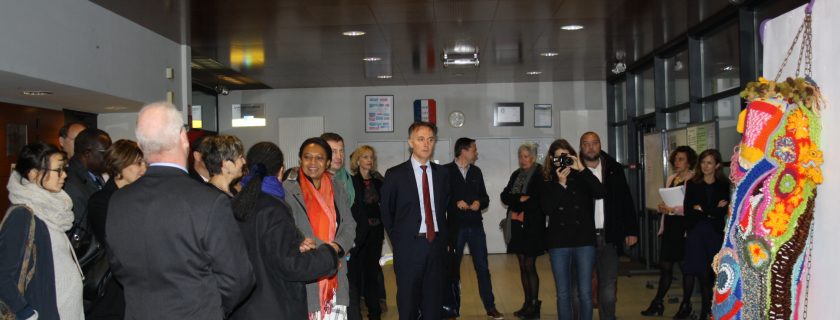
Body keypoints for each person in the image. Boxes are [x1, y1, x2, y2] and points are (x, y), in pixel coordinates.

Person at [106, 102, 254, 319]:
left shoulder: (119, 200)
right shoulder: (208, 201)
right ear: (184, 138)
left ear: (140, 145)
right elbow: (239, 277)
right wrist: (211, 308)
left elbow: (119, 267)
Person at [230, 142, 340, 319]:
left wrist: (295, 243)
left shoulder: (235, 203)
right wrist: (329, 256)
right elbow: (290, 265)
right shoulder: (273, 208)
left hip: (244, 307)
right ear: (281, 171)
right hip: (273, 306)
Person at [1, 142, 83, 319]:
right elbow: (3, 273)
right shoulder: (22, 215)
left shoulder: (53, 209)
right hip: (44, 312)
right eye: (58, 170)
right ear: (34, 174)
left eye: (64, 169)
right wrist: (25, 312)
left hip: (66, 309)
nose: (64, 175)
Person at [380, 121, 450, 320]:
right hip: (409, 247)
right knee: (408, 304)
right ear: (411, 142)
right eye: (420, 139)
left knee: (433, 304)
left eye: (430, 139)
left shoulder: (443, 174)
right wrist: (399, 242)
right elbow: (387, 211)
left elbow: (445, 207)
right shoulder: (395, 175)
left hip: (436, 246)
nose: (426, 144)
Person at [283, 137, 356, 319]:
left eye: (319, 158)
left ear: (328, 162)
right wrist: (326, 252)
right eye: (307, 157)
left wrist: (336, 247)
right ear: (300, 160)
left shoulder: (337, 188)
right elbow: (290, 230)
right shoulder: (287, 190)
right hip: (306, 272)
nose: (313, 163)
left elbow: (349, 224)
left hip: (336, 273)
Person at [539, 139, 605, 320]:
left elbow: (600, 192)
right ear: (552, 159)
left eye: (566, 156)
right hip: (559, 242)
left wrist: (582, 168)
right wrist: (561, 183)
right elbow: (547, 208)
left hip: (584, 240)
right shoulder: (546, 179)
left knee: (585, 291)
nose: (563, 161)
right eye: (559, 157)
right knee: (563, 292)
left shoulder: (582, 176)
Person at [578, 131, 639, 320]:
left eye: (594, 143)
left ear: (600, 144)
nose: (590, 147)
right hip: (582, 237)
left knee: (608, 284)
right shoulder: (573, 167)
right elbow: (551, 166)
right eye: (586, 144)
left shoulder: (614, 168)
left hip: (609, 235)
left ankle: (608, 317)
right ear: (580, 147)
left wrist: (631, 230)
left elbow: (626, 200)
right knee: (582, 284)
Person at [86, 139, 147, 320]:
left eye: (144, 163)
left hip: (138, 286)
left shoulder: (141, 197)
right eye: (137, 163)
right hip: (111, 285)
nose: (143, 169)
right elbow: (114, 241)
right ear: (119, 165)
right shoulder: (101, 201)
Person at [444, 138, 503, 319]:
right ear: (463, 151)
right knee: (452, 269)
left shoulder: (476, 171)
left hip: (476, 226)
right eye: (474, 150)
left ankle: (490, 307)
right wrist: (454, 202)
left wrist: (479, 202)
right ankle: (452, 309)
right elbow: (441, 199)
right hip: (455, 228)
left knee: (483, 268)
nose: (476, 153)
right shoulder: (446, 171)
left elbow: (485, 198)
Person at [641, 146, 697, 317]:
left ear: (689, 162)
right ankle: (658, 302)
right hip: (670, 228)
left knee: (686, 268)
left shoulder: (694, 180)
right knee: (665, 267)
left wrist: (673, 209)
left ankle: (686, 305)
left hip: (684, 228)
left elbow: (692, 208)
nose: (677, 162)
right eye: (675, 159)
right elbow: (668, 200)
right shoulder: (672, 178)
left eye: (681, 159)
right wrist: (663, 208)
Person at [679, 149, 730, 320]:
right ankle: (702, 311)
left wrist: (703, 209)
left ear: (716, 165)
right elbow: (688, 210)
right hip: (696, 232)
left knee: (711, 274)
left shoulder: (722, 184)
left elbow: (720, 212)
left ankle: (709, 310)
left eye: (709, 163)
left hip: (714, 233)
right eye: (703, 162)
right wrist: (711, 210)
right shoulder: (693, 183)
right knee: (700, 273)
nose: (705, 166)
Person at [500, 142, 545, 318]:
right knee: (522, 266)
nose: (522, 160)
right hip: (516, 226)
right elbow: (505, 196)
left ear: (533, 158)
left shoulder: (540, 174)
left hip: (532, 227)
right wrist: (520, 198)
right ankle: (527, 303)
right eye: (520, 156)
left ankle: (534, 305)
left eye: (526, 156)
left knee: (529, 265)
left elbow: (535, 201)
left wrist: (515, 199)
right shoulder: (516, 174)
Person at [347, 145, 385, 320]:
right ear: (358, 160)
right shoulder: (351, 181)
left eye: (371, 157)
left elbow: (385, 206)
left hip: (376, 233)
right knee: (356, 275)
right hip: (358, 235)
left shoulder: (378, 181)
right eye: (365, 157)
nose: (369, 160)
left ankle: (375, 313)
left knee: (372, 273)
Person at [64, 128, 112, 234]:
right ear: (87, 153)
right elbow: (81, 230)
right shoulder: (71, 183)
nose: (110, 158)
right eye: (105, 153)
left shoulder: (95, 174)